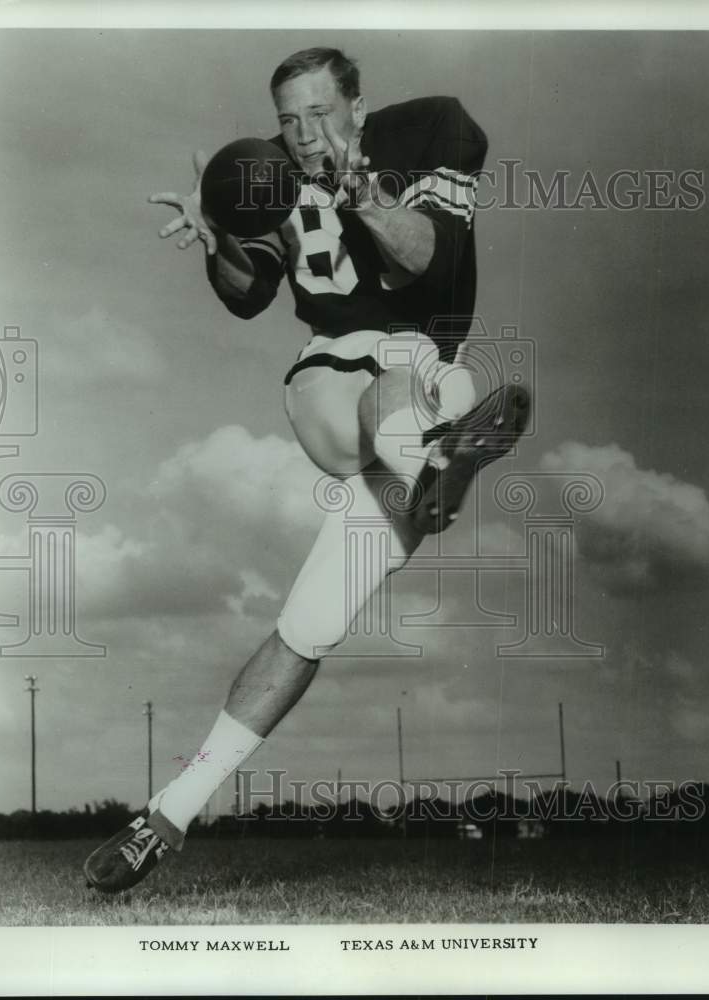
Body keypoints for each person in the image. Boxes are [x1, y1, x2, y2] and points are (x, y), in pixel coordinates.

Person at [84, 47, 528, 892]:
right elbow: (246, 292)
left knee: (306, 628)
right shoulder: (268, 173)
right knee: (402, 379)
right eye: (287, 118)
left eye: (319, 112)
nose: (302, 133)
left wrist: (357, 187)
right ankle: (440, 461)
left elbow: (426, 259)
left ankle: (167, 813)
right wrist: (218, 240)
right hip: (329, 376)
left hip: (416, 376)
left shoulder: (431, 130)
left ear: (359, 107)